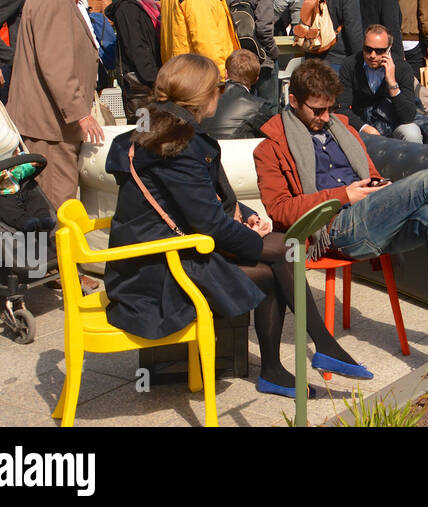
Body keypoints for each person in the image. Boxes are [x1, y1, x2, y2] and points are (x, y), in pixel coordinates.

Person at [106, 54, 370, 398]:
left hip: (145, 260)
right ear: (204, 96)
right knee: (281, 253)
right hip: (155, 274)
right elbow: (208, 222)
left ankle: (295, 360)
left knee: (275, 256)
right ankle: (316, 348)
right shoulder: (180, 143)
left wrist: (243, 215)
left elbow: (196, 201)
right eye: (217, 87)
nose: (221, 92)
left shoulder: (155, 128)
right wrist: (248, 233)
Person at [254, 60, 428, 340]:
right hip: (333, 229)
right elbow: (279, 211)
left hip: (370, 216)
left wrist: (380, 187)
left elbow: (370, 173)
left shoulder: (342, 129)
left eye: (330, 108)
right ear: (293, 101)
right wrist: (343, 195)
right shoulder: (271, 147)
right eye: (318, 110)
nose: (327, 117)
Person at [7, 0, 104, 209]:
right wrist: (80, 114)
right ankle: (57, 253)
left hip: (52, 123)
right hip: (50, 127)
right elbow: (57, 66)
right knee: (58, 204)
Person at [336, 25, 423, 143]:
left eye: (379, 51)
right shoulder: (350, 65)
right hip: (361, 124)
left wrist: (392, 83)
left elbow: (408, 116)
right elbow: (341, 108)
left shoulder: (402, 68)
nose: (372, 55)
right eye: (368, 49)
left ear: (389, 49)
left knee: (412, 133)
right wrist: (365, 128)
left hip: (393, 123)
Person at [107, 0, 163, 116]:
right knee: (142, 131)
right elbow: (135, 47)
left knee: (154, 131)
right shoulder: (127, 8)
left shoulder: (147, 4)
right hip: (140, 84)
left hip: (149, 79)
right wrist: (154, 78)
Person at [226, 0, 279, 102]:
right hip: (261, 57)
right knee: (268, 105)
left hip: (236, 55)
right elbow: (264, 28)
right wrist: (273, 52)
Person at [201, 49, 278, 139]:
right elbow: (276, 136)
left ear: (226, 73)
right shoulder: (258, 106)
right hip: (238, 152)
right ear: (256, 79)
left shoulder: (202, 97)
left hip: (203, 150)